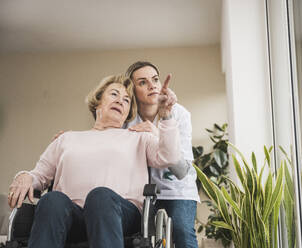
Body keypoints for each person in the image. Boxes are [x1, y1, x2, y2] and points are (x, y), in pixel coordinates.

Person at [7, 74, 181, 248]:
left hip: (120, 214)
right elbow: (39, 175)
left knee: (100, 196)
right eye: (114, 94)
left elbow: (169, 156)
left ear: (128, 112)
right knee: (52, 200)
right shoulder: (66, 138)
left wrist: (165, 116)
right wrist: (24, 175)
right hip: (70, 216)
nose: (121, 101)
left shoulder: (139, 138)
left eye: (126, 100)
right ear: (98, 101)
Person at [124, 61, 199, 248]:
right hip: (141, 193)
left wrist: (158, 134)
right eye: (142, 82)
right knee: (137, 239)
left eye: (155, 79)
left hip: (178, 190)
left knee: (182, 232)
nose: (152, 85)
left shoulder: (179, 114)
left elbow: (181, 171)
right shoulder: (127, 119)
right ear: (132, 90)